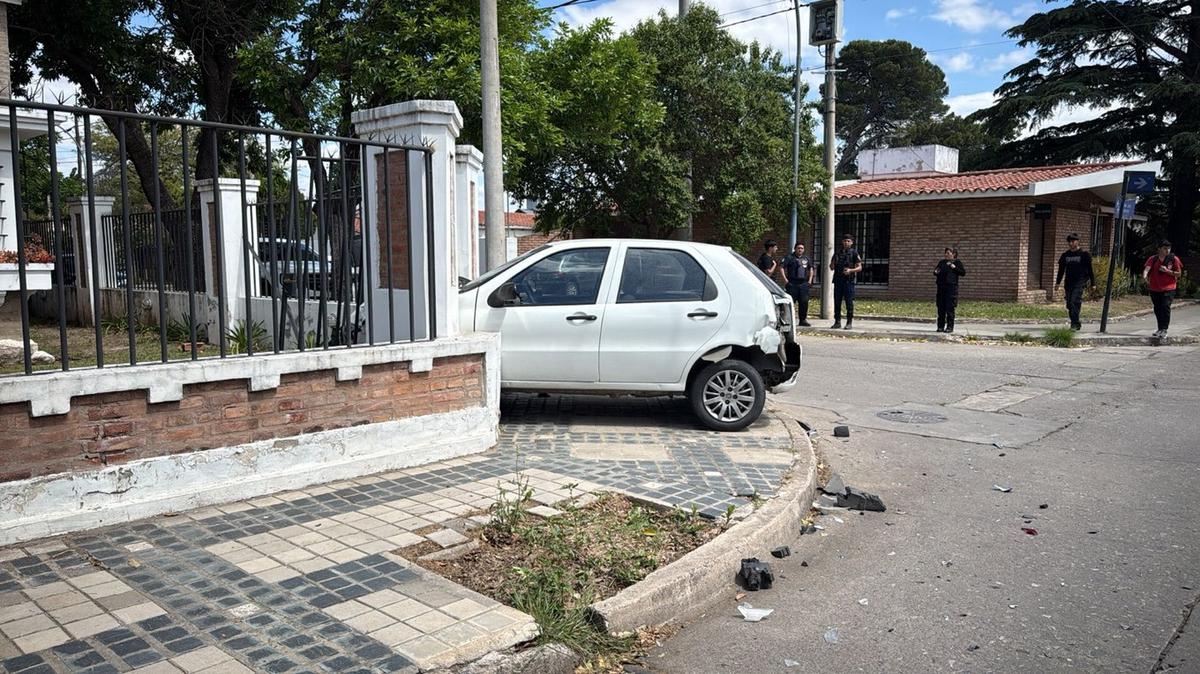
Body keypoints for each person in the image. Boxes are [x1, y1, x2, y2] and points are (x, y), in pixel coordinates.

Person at [1143, 239, 1184, 339]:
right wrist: (1145, 276)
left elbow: (1179, 274)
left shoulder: (1174, 259)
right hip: (1155, 288)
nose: (1167, 250)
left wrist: (1167, 271)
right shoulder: (1153, 259)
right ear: (1159, 249)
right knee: (1157, 308)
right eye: (1165, 248)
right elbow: (1147, 269)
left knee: (1165, 306)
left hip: (1169, 288)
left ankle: (1164, 329)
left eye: (1169, 248)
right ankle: (1160, 328)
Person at [1054, 233, 1094, 330]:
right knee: (1069, 304)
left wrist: (1093, 283)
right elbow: (1061, 270)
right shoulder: (1065, 255)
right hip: (1068, 283)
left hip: (1080, 282)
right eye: (1070, 242)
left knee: (1074, 301)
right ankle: (1075, 322)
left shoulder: (1084, 254)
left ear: (1077, 241)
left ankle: (1074, 324)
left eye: (1073, 241)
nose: (1071, 243)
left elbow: (1090, 269)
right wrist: (1057, 283)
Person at [829, 233, 863, 329]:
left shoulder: (854, 253)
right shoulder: (837, 253)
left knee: (849, 302)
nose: (846, 243)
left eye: (848, 241)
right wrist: (833, 262)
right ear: (842, 242)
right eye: (844, 241)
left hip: (848, 281)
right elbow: (831, 267)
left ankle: (849, 322)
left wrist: (850, 270)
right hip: (838, 281)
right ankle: (837, 322)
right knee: (837, 302)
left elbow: (860, 267)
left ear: (852, 242)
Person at [932, 247, 967, 333]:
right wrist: (936, 271)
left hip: (951, 289)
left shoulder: (957, 262)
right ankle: (940, 326)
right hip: (941, 288)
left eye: (948, 253)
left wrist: (954, 267)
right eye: (945, 253)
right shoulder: (942, 262)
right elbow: (936, 271)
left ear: (953, 254)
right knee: (941, 308)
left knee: (949, 308)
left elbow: (963, 273)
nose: (946, 255)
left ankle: (949, 327)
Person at [782, 242, 814, 326]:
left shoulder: (806, 258)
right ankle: (788, 321)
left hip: (803, 284)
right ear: (795, 249)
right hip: (792, 284)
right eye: (798, 248)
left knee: (804, 302)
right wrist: (785, 280)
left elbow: (811, 268)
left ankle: (802, 320)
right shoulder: (789, 257)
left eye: (802, 248)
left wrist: (810, 280)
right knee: (790, 303)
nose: (800, 250)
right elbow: (781, 267)